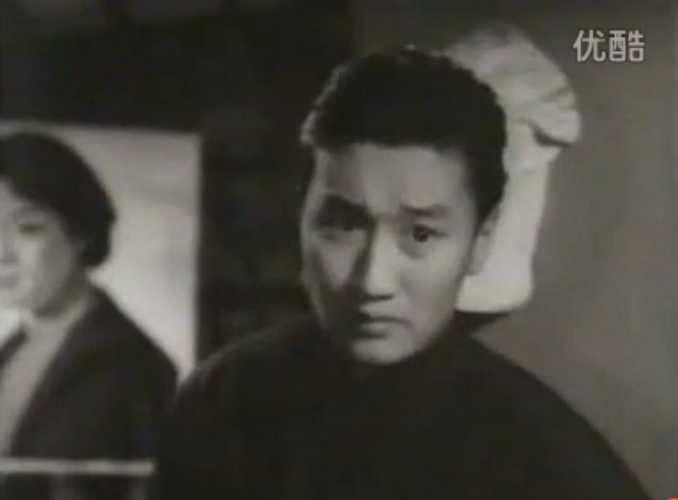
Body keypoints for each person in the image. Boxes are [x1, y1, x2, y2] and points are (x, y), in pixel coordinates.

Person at [155, 47, 650, 500]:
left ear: (480, 242)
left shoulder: (545, 451)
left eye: (420, 234)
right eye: (342, 225)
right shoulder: (220, 400)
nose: (372, 281)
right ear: (301, 217)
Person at [0, 132, 177, 500]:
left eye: (28, 227)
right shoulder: (12, 353)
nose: (3, 253)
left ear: (78, 232)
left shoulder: (132, 365)